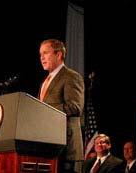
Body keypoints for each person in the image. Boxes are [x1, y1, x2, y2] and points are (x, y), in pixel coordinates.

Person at [38, 39, 85, 173]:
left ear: (58, 55)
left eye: (46, 53)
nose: (42, 57)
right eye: (40, 54)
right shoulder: (44, 82)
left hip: (65, 147)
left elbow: (75, 107)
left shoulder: (71, 76)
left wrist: (43, 111)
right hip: (47, 144)